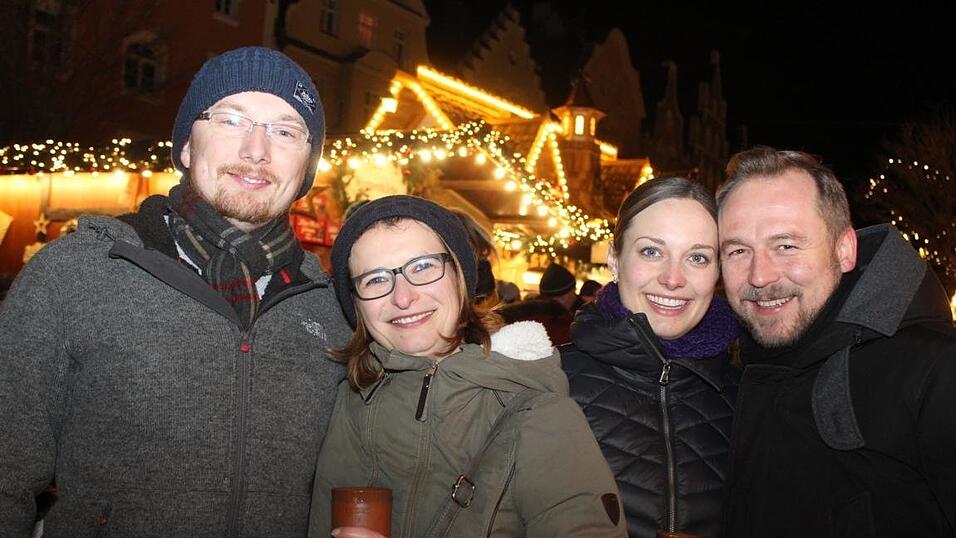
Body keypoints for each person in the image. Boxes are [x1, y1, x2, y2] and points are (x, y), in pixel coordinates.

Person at [0, 47, 352, 536]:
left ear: (306, 169)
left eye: (286, 131)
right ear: (186, 146)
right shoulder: (77, 272)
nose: (256, 150)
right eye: (231, 120)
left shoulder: (331, 309)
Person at [310, 195, 626, 537]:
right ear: (356, 304)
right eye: (375, 279)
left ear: (459, 276)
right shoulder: (346, 404)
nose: (402, 297)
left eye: (423, 267)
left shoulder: (538, 412)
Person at [716, 147, 956, 537]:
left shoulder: (936, 372)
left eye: (786, 245)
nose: (760, 276)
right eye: (738, 250)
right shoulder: (733, 373)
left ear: (844, 250)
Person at [561, 177, 739, 537]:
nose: (673, 278)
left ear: (717, 273)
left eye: (698, 257)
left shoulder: (749, 396)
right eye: (651, 252)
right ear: (614, 260)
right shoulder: (546, 383)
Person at [499, 262, 577, 344]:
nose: (575, 297)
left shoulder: (519, 316)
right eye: (574, 291)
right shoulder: (560, 326)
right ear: (565, 296)